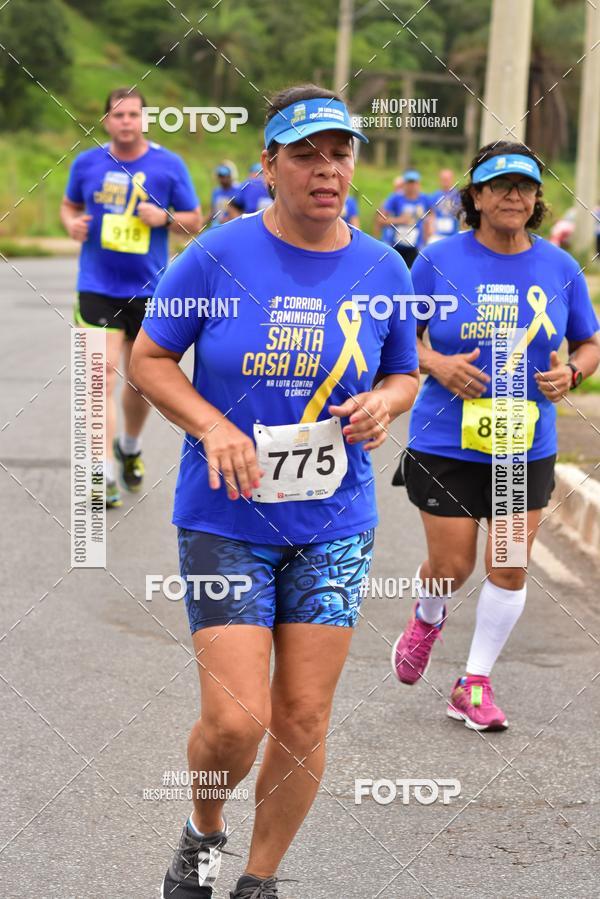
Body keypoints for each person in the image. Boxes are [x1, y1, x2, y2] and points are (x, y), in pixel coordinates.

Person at [130, 83, 419, 899]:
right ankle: (204, 830)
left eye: (340, 152)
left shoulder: (381, 266)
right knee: (236, 721)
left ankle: (258, 879)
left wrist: (385, 403)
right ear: (268, 166)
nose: (326, 170)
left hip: (333, 520)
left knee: (300, 718)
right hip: (226, 516)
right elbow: (148, 361)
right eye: (305, 154)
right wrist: (212, 426)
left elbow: (402, 372)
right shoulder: (214, 256)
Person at [390, 142, 600, 731]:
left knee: (508, 564)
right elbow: (402, 337)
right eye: (500, 184)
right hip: (446, 440)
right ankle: (429, 615)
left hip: (522, 440)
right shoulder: (437, 259)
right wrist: (437, 364)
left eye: (525, 186)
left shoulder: (560, 266)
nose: (514, 194)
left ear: (536, 199)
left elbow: (589, 341)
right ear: (476, 197)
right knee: (451, 565)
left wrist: (574, 372)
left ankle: (473, 683)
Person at [61, 87, 201, 507]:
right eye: (118, 115)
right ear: (106, 120)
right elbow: (69, 206)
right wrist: (72, 224)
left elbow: (195, 220)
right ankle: (101, 473)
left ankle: (130, 446)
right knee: (97, 379)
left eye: (134, 115)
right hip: (97, 287)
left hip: (150, 291)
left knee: (139, 382)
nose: (126, 122)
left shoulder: (168, 165)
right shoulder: (87, 163)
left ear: (144, 120)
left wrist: (166, 217)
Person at [377, 170, 431, 268]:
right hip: (396, 246)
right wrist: (400, 220)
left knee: (412, 277)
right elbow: (380, 220)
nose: (412, 186)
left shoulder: (424, 199)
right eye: (409, 183)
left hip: (415, 247)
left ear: (418, 184)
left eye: (414, 183)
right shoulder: (395, 198)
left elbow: (431, 215)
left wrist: (428, 232)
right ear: (404, 184)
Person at [428, 168, 461, 242]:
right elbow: (431, 214)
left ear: (452, 179)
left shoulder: (458, 196)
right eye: (443, 179)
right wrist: (431, 228)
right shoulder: (434, 196)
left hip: (453, 234)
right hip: (437, 235)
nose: (445, 181)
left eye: (447, 179)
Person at [206, 162, 239, 228]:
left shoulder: (238, 190)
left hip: (232, 225)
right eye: (221, 176)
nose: (223, 179)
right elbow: (213, 211)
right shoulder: (216, 192)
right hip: (217, 225)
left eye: (226, 176)